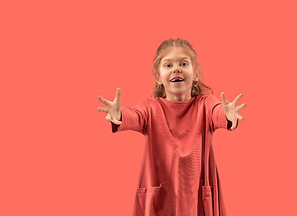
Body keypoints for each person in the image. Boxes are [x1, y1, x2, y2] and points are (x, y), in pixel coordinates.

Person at [97, 38, 246, 216]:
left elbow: (219, 113)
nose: (176, 69)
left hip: (197, 198)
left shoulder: (206, 105)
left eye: (184, 63)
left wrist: (228, 115)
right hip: (161, 198)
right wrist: (118, 115)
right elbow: (134, 116)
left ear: (196, 74)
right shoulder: (150, 108)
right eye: (168, 65)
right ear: (159, 77)